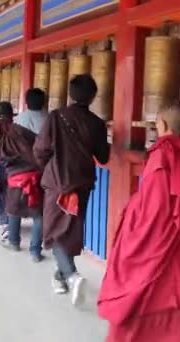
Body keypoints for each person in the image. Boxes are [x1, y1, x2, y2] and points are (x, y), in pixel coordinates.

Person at [98, 102, 180, 342]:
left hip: (161, 237)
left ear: (162, 125)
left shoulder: (163, 154)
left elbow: (155, 210)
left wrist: (131, 225)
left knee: (146, 290)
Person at [34, 74, 110, 305]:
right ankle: (60, 276)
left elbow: (40, 149)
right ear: (93, 96)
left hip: (57, 185)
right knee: (69, 229)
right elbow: (103, 156)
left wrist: (49, 169)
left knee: (55, 231)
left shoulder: (56, 117)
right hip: (81, 185)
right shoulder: (97, 123)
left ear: (70, 93)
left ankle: (72, 276)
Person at [0, 101, 45, 263]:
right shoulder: (23, 128)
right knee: (38, 212)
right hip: (34, 170)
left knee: (5, 199)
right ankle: (35, 251)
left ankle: (9, 233)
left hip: (10, 168)